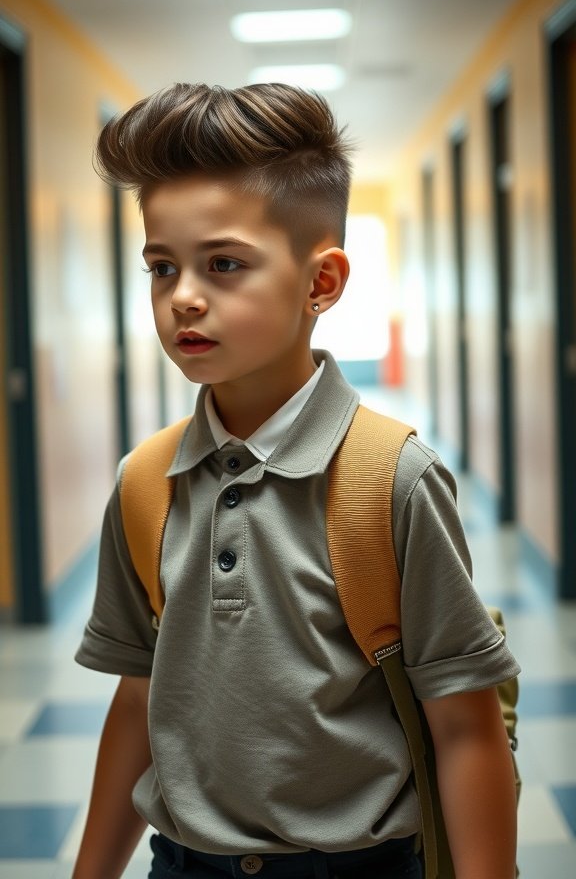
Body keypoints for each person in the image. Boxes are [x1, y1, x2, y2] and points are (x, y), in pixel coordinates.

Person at [73, 82, 519, 879]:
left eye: (224, 264)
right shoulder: (147, 483)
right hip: (185, 863)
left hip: (361, 865)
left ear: (322, 283)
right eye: (161, 267)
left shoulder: (394, 479)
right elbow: (140, 700)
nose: (183, 297)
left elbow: (465, 725)